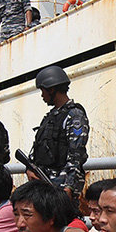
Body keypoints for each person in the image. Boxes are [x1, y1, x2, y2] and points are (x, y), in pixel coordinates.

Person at [28, 66, 89, 198]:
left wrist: (70, 187)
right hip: (43, 186)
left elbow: (76, 155)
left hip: (61, 187)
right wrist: (30, 169)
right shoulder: (51, 116)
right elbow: (39, 148)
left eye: (43, 91)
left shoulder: (74, 115)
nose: (42, 96)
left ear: (52, 89)